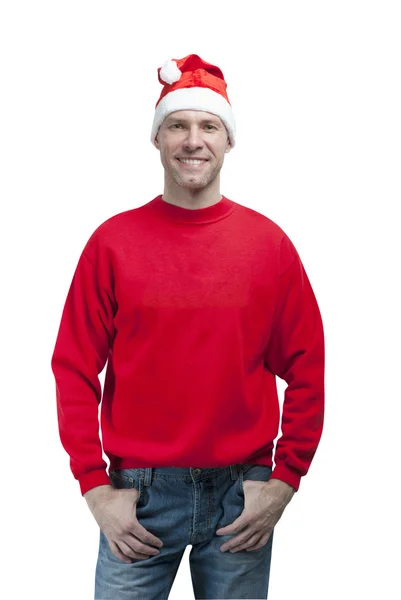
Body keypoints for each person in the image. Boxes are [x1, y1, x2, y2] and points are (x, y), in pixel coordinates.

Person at [51, 53, 325, 600]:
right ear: (157, 139)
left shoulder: (268, 247)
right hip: (141, 497)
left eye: (208, 126)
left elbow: (307, 368)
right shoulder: (112, 244)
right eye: (177, 125)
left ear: (228, 141)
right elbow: (74, 367)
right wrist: (95, 486)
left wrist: (285, 480)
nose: (192, 140)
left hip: (239, 496)